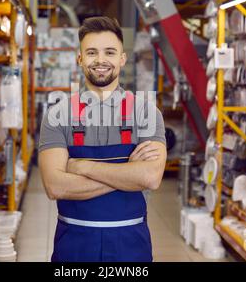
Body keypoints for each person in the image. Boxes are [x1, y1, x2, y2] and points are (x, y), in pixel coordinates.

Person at [38, 16, 167, 262]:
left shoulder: (146, 114)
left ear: (122, 59)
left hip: (131, 246)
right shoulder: (58, 116)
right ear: (80, 59)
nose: (100, 60)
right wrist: (129, 172)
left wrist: (81, 167)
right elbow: (55, 186)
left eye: (109, 52)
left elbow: (150, 177)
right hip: (74, 246)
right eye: (91, 52)